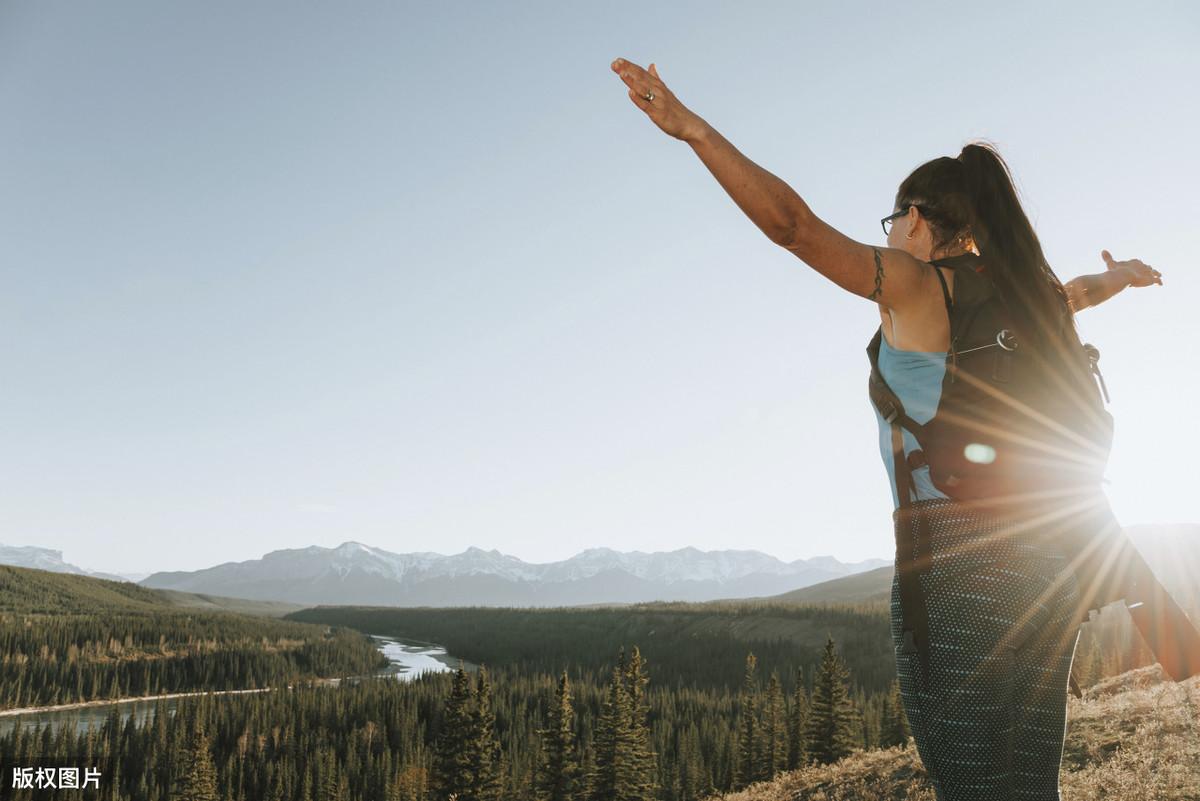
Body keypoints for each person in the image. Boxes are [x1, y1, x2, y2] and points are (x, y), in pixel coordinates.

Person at [609, 57, 1163, 800]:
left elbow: (794, 227)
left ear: (917, 219)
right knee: (1028, 782)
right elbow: (1080, 293)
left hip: (954, 570)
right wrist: (1123, 273)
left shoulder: (917, 285)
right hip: (1044, 568)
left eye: (893, 219)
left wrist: (693, 131)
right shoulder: (1025, 294)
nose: (891, 234)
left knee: (970, 782)